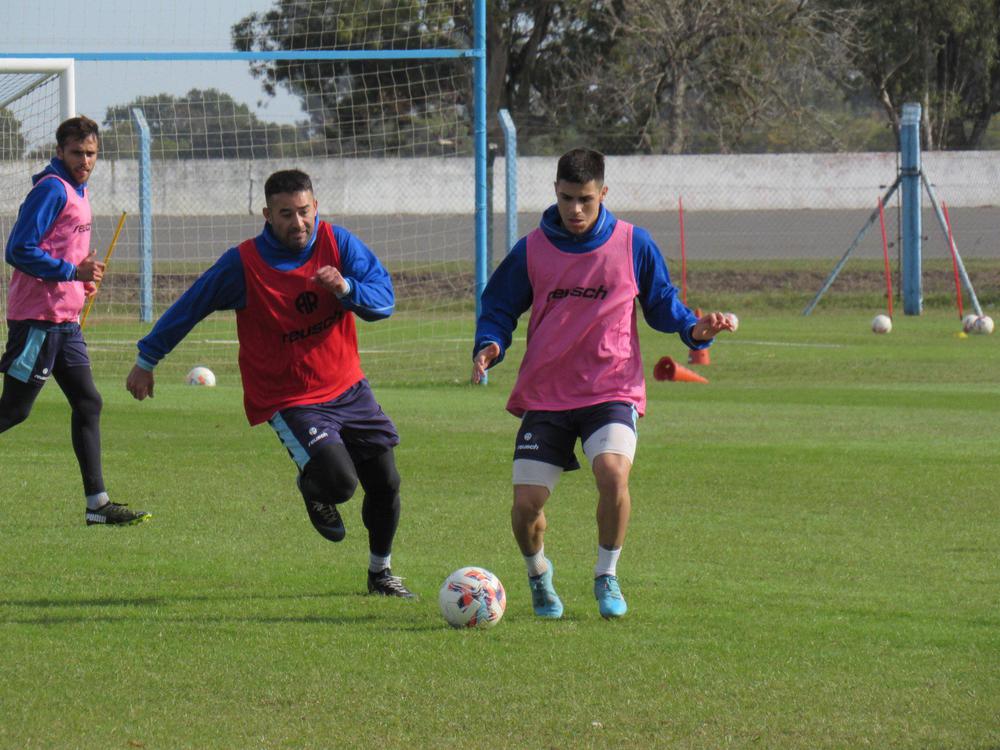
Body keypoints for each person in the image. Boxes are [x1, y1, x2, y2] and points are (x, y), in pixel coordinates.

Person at [125, 168, 414, 598]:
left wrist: (347, 287)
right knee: (340, 482)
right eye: (285, 214)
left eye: (304, 212)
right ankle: (311, 486)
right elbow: (192, 305)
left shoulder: (338, 243)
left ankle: (381, 573)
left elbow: (384, 299)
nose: (297, 223)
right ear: (266, 214)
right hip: (290, 398)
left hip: (349, 387)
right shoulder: (244, 264)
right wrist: (147, 359)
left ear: (315, 207)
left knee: (386, 482)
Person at [472, 148, 733, 619]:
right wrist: (490, 343)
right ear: (555, 191)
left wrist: (696, 330)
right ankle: (538, 576)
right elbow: (498, 306)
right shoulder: (531, 248)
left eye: (586, 200)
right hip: (547, 393)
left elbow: (662, 305)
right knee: (526, 505)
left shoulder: (634, 243)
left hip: (610, 389)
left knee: (612, 473)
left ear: (603, 194)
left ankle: (606, 574)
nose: (575, 209)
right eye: (568, 198)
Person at [1, 115, 150, 526]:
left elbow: (66, 255)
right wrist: (72, 274)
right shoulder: (51, 189)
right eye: (77, 153)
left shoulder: (78, 191)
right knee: (13, 412)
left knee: (88, 402)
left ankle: (97, 505)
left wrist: (82, 284)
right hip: (38, 320)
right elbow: (17, 250)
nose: (85, 160)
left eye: (91, 154)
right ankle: (96, 504)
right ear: (60, 151)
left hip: (65, 321)